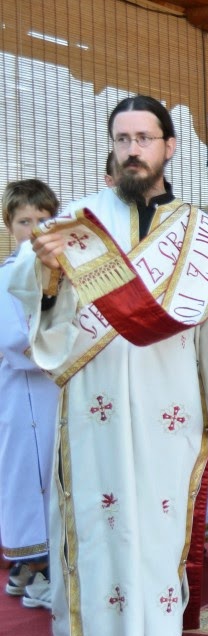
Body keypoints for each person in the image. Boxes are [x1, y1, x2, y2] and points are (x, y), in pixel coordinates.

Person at [6, 95, 208, 636]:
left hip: (170, 399)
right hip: (93, 399)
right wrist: (47, 271)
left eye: (144, 139)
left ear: (169, 146)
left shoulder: (199, 233)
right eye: (123, 139)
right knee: (99, 521)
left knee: (158, 520)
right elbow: (33, 292)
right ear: (113, 148)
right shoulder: (79, 221)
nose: (133, 150)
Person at [0, 179, 60, 610]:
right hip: (24, 395)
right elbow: (14, 341)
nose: (33, 229)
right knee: (29, 477)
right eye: (24, 221)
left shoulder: (57, 274)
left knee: (53, 475)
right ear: (9, 225)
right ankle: (33, 568)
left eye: (43, 220)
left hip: (54, 391)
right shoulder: (8, 276)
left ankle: (31, 569)